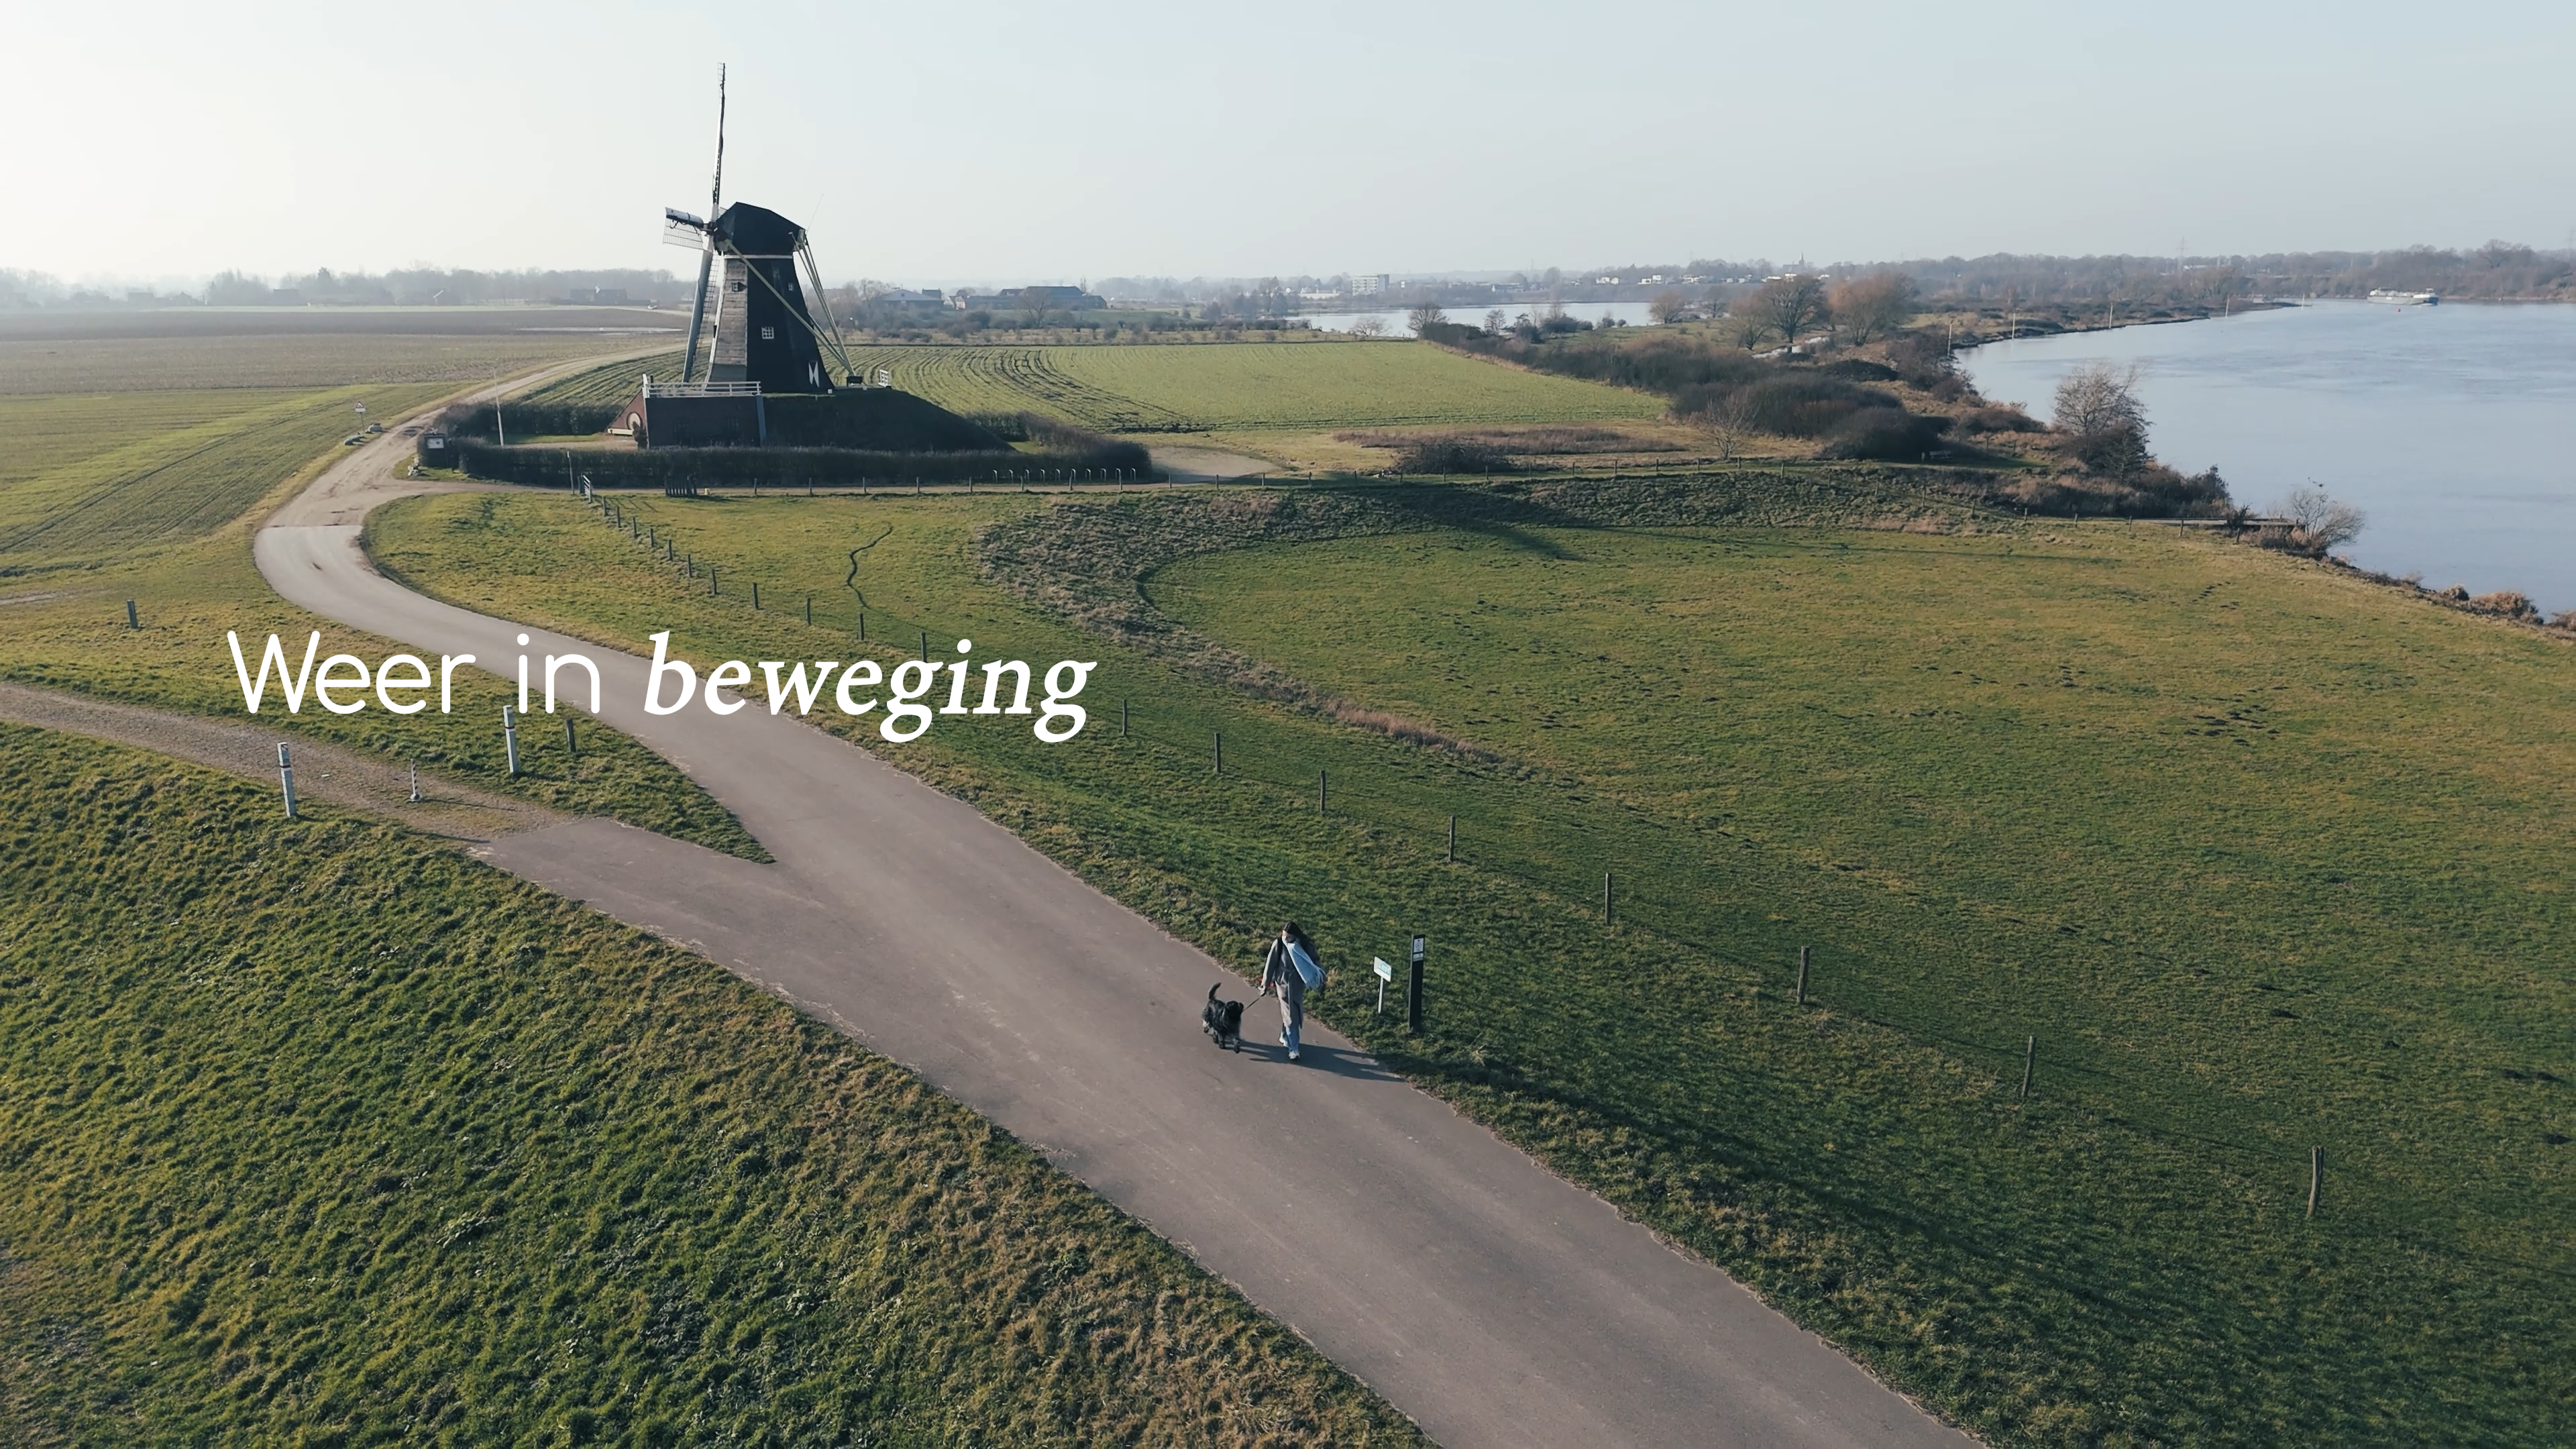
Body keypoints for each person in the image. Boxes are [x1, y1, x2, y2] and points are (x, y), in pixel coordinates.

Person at [1258, 921, 1319, 1062]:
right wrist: (1265, 985)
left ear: (1295, 937)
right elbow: (1270, 965)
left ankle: (1285, 1035)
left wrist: (1318, 976)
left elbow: (1314, 962)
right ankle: (1294, 1049)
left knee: (1294, 1011)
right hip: (1283, 985)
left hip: (1298, 985)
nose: (1285, 939)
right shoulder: (1278, 944)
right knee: (1291, 1017)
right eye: (1284, 936)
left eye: (1288, 937)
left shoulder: (1304, 946)